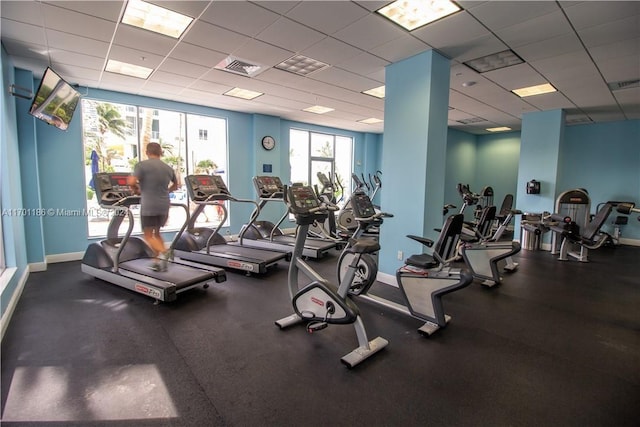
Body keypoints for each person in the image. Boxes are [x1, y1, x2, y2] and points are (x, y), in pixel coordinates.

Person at [127, 142, 178, 271]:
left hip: (149, 205)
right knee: (157, 233)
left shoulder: (142, 165)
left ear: (147, 152)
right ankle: (157, 263)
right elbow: (177, 185)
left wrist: (136, 189)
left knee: (148, 235)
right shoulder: (168, 167)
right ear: (160, 152)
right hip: (164, 205)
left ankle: (165, 251)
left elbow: (132, 181)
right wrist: (166, 191)